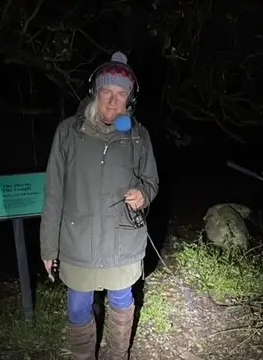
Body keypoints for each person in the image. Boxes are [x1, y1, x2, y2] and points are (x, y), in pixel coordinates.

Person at [40, 51, 159, 360]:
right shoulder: (68, 132)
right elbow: (53, 193)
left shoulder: (137, 136)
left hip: (123, 239)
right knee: (78, 304)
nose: (112, 102)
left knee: (122, 299)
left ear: (129, 100)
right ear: (95, 92)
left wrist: (143, 194)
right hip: (77, 241)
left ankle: (118, 355)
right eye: (107, 92)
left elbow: (151, 181)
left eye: (121, 95)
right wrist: (48, 248)